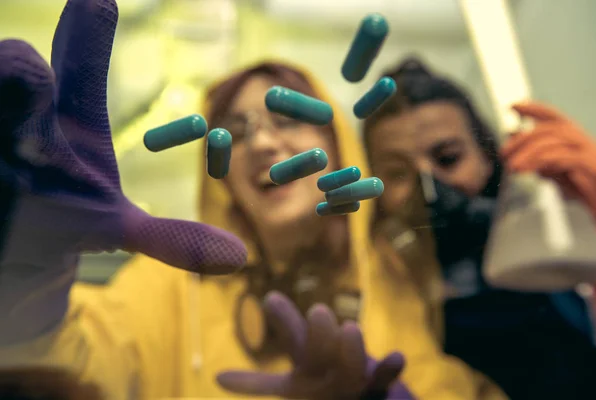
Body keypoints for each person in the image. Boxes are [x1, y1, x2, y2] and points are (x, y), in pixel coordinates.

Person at [0, 1, 509, 399]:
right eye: (237, 132)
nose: (262, 144)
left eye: (286, 119)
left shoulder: (396, 276)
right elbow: (68, 367)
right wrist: (29, 280)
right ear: (222, 179)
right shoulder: (170, 284)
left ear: (339, 148)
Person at [363, 56, 596, 400]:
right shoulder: (380, 293)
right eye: (397, 173)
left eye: (448, 158)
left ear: (488, 155)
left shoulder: (553, 243)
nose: (429, 192)